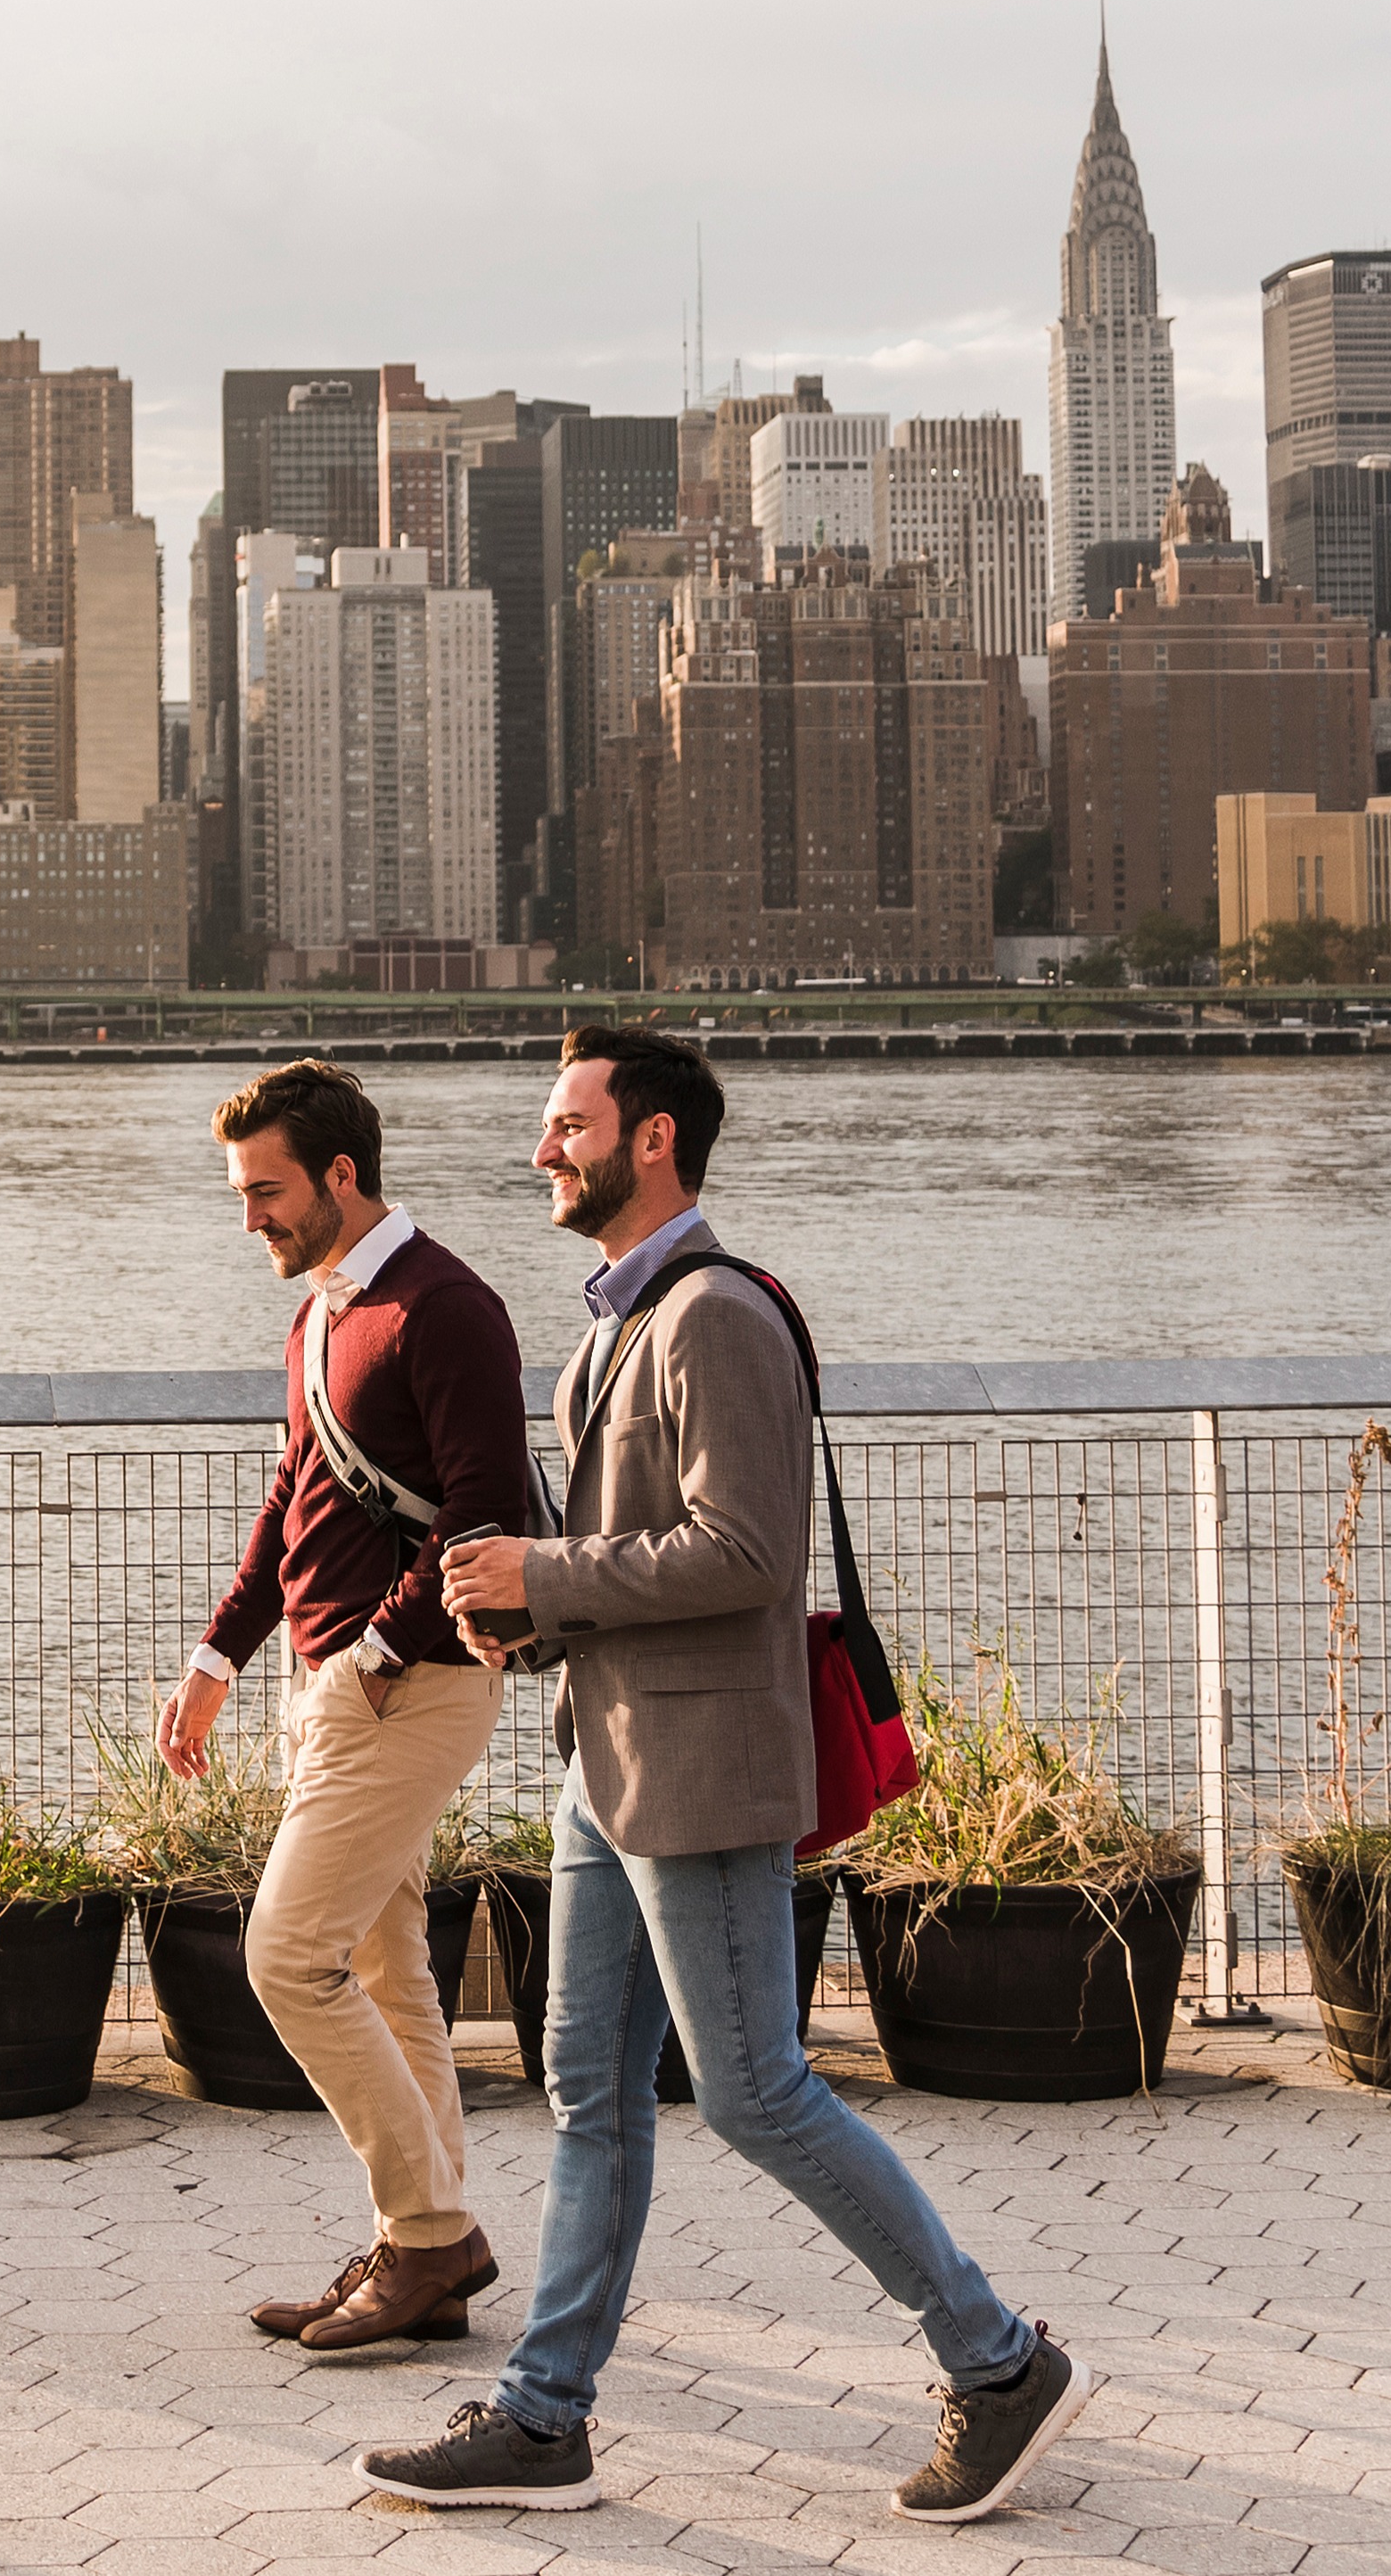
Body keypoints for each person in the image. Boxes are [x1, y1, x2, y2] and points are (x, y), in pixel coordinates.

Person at [355, 1021, 1092, 2524]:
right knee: (587, 2094)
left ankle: (997, 2360)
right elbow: (636, 1564)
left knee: (755, 2093)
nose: (540, 1148)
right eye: (544, 1125)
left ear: (651, 1143)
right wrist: (527, 1621)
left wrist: (543, 1571)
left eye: (566, 1125)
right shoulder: (610, 1324)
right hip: (609, 1763)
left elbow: (743, 1554)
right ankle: (544, 2419)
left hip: (696, 1767)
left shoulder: (714, 1318)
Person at [176, 1061, 534, 2356]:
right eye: (239, 1194)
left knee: (285, 1955)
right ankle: (424, 2245)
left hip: (409, 1686)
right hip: (328, 1683)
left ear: (340, 1176)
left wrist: (374, 1654)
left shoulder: (446, 1308)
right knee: (387, 1975)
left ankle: (429, 2239)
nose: (249, 1219)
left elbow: (493, 1518)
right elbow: (296, 1495)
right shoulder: (326, 1309)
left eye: (264, 1191)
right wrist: (219, 1659)